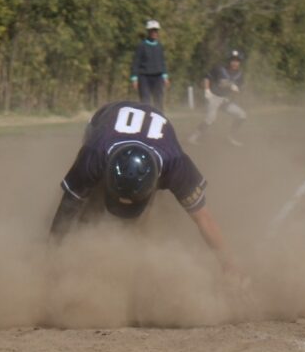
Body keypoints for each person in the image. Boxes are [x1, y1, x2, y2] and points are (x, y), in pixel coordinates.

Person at [49, 100, 237, 275]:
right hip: (103, 120)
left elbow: (204, 218)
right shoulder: (95, 152)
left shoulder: (175, 163)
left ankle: (131, 246)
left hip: (151, 140)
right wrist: (52, 252)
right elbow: (69, 203)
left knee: (142, 215)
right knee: (91, 196)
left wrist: (230, 268)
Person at [188, 50, 248, 147]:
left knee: (242, 115)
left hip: (226, 100)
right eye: (233, 60)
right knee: (210, 119)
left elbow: (239, 89)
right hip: (214, 97)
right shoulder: (220, 69)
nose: (235, 63)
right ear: (229, 60)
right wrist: (207, 90)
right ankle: (193, 137)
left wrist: (235, 91)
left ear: (240, 62)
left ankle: (230, 137)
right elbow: (207, 78)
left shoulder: (240, 74)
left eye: (237, 61)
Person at [130, 20, 169, 110]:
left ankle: (159, 116)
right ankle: (145, 117)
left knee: (158, 99)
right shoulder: (142, 46)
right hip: (144, 77)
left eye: (156, 30)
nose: (154, 33)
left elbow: (162, 61)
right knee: (145, 100)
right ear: (148, 31)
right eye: (152, 30)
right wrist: (134, 78)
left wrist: (165, 76)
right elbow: (136, 62)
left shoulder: (159, 46)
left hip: (158, 77)